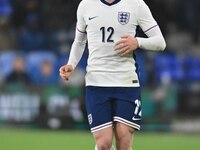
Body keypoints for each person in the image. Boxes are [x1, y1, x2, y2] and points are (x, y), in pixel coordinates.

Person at [59, 0, 166, 150]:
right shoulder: (86, 5)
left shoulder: (136, 4)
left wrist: (138, 42)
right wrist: (71, 64)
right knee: (103, 143)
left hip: (126, 82)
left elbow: (160, 42)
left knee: (123, 141)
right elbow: (79, 41)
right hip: (96, 83)